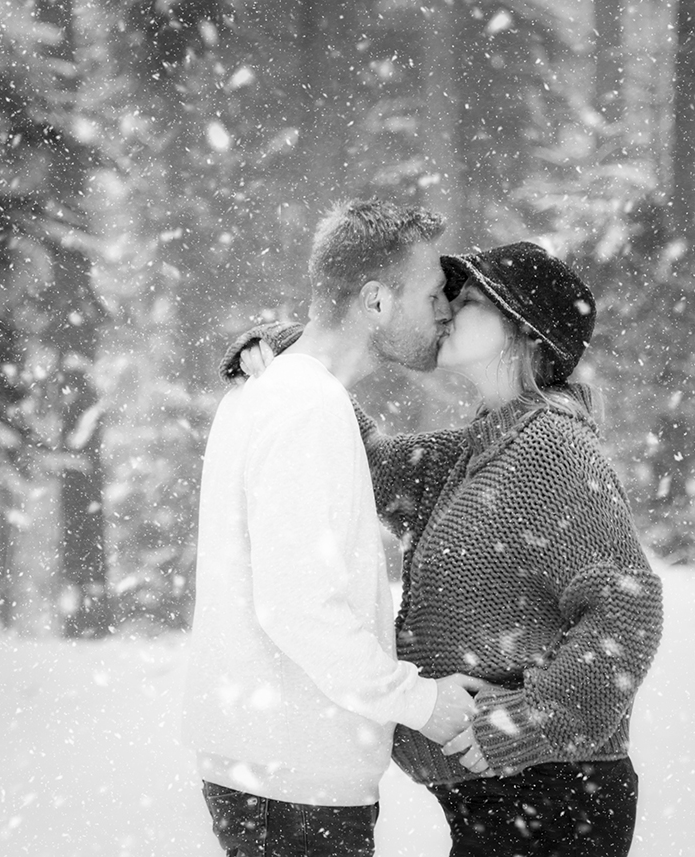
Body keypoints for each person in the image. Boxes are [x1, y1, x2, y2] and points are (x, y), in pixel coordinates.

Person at [227, 241, 664, 857]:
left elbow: (628, 608)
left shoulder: (551, 449)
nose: (448, 308)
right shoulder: (472, 452)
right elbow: (363, 461)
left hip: (555, 797)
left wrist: (530, 721)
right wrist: (300, 354)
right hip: (503, 798)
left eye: (471, 298)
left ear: (525, 330)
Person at [181, 199, 489, 857]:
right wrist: (419, 701)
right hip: (294, 782)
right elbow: (298, 606)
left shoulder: (276, 390)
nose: (445, 310)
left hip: (278, 769)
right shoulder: (305, 405)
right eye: (432, 293)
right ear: (375, 301)